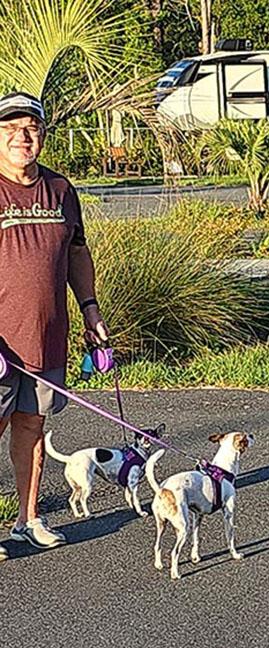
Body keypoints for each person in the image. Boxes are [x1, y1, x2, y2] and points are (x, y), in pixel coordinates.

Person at [0, 92, 109, 556]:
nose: (22, 137)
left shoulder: (61, 190)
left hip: (46, 334)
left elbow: (77, 252)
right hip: (0, 343)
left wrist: (90, 308)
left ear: (43, 134)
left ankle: (28, 519)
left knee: (31, 426)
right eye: (10, 128)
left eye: (31, 128)